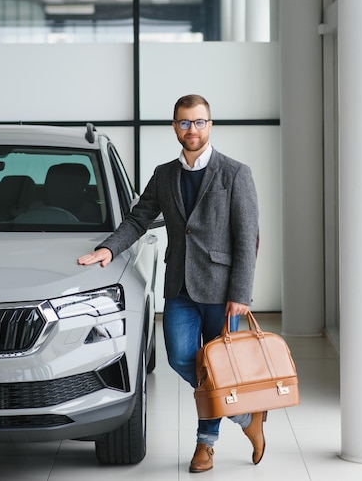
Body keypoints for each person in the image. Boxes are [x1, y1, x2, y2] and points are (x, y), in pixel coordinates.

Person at [77, 94, 265, 472]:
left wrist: (241, 294)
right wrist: (108, 250)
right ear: (174, 126)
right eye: (184, 122)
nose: (191, 129)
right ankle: (247, 417)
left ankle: (204, 444)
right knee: (183, 358)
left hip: (222, 288)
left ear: (210, 126)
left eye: (199, 122)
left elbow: (248, 237)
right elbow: (138, 219)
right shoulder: (165, 174)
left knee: (215, 366)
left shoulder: (234, 173)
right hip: (179, 286)